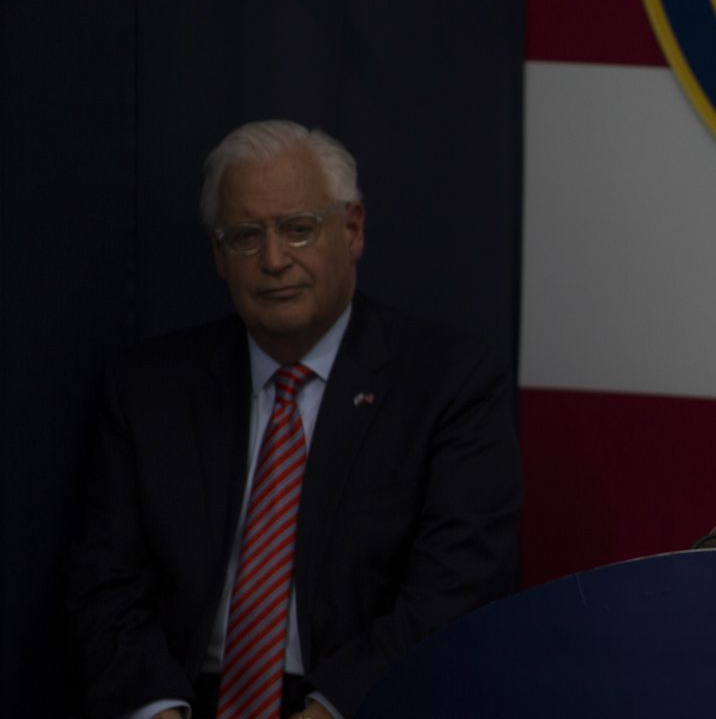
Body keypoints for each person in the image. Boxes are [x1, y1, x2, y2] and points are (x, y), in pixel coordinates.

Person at [69, 120, 521, 718]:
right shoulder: (148, 389)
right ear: (219, 255)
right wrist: (159, 713)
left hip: (356, 701)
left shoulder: (449, 383)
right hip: (184, 700)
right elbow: (106, 589)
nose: (274, 260)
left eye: (299, 229)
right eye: (245, 236)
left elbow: (452, 594)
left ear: (352, 230)